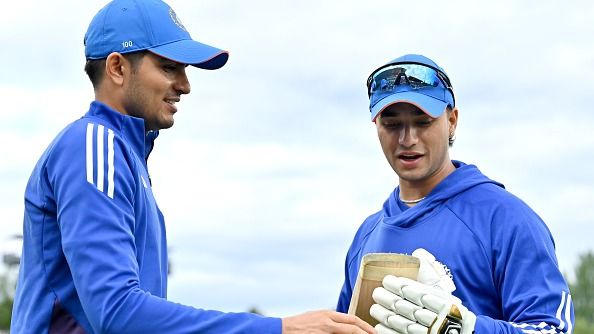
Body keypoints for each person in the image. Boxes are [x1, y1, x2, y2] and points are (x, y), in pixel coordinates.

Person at [11, 1, 376, 333]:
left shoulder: (121, 154)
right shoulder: (94, 145)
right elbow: (117, 311)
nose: (185, 85)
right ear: (118, 67)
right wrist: (279, 329)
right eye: (170, 67)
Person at [336, 54, 575, 334]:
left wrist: (464, 329)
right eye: (392, 124)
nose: (407, 138)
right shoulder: (366, 236)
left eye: (423, 121)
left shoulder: (505, 219)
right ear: (376, 127)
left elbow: (552, 330)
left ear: (452, 121)